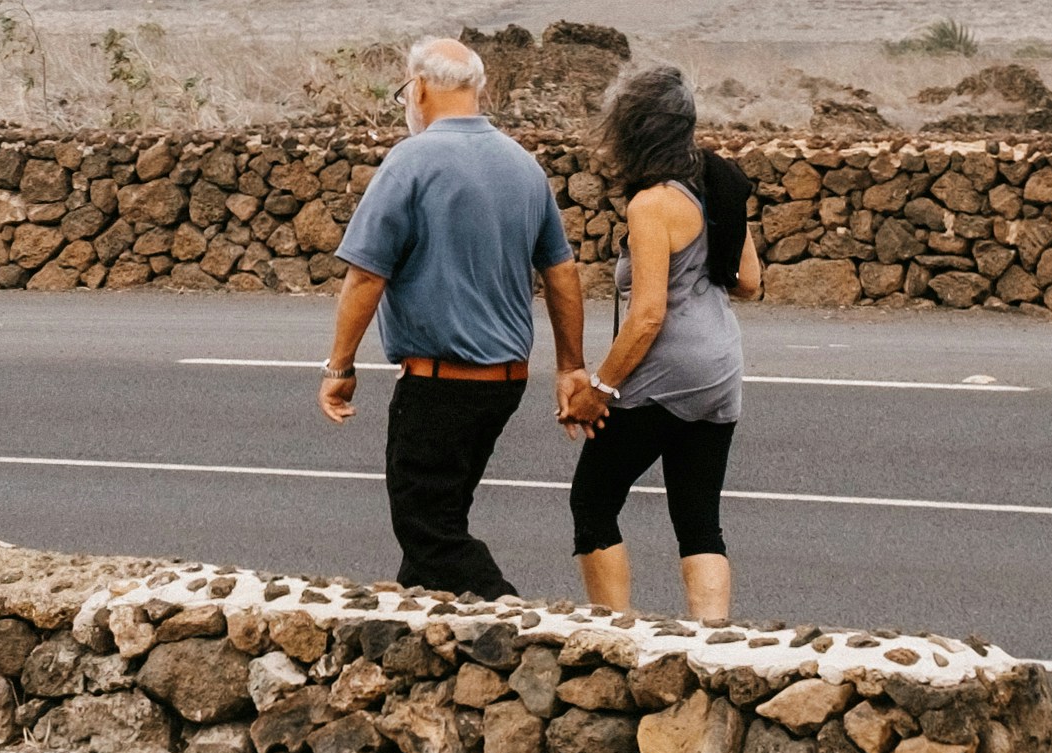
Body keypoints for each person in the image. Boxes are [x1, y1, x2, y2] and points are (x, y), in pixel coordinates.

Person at [318, 33, 583, 595]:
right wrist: (570, 367)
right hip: (503, 383)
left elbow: (366, 275)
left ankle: (518, 624)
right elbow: (562, 272)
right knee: (437, 529)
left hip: (440, 384)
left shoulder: (411, 161)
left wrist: (339, 368)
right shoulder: (523, 165)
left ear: (417, 89)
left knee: (429, 531)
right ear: (477, 88)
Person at [555, 61, 750, 622]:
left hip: (666, 373)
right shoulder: (717, 182)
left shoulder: (652, 202)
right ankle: (712, 648)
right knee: (698, 520)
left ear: (634, 131)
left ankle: (617, 636)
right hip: (719, 367)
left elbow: (645, 317)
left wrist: (600, 388)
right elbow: (752, 283)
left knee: (592, 501)